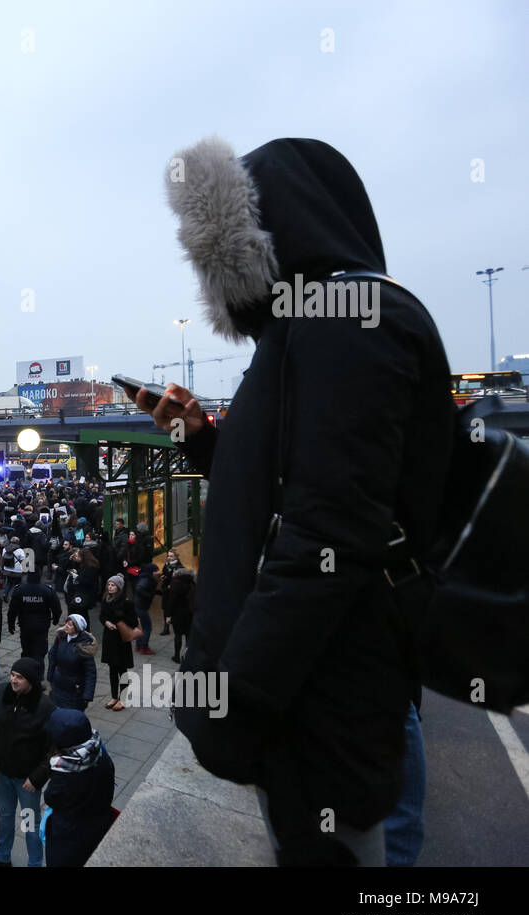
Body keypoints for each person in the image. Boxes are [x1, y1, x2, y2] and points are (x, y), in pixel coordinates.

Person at [145, 136, 454, 866]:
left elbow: (330, 533)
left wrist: (232, 703)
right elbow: (293, 486)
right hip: (317, 688)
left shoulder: (348, 325)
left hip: (324, 696)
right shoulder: (310, 334)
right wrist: (204, 440)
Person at [0, 658, 56, 867]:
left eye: (19, 677)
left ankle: (35, 863)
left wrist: (37, 778)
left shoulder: (45, 708)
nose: (13, 680)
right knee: (6, 816)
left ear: (31, 681)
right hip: (1, 773)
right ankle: (3, 858)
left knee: (29, 823)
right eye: (12, 674)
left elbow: (54, 750)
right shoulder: (0, 693)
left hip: (27, 780)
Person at [43, 708, 116, 867]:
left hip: (69, 838)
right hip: (98, 825)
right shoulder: (98, 751)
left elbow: (50, 797)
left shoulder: (66, 773)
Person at [98, 575, 137, 711]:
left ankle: (123, 698)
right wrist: (106, 622)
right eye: (109, 584)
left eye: (113, 585)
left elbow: (133, 622)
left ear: (119, 587)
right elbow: (102, 616)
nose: (110, 587)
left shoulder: (126, 602)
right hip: (109, 638)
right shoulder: (106, 599)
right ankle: (114, 696)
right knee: (112, 669)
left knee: (122, 669)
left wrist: (119, 621)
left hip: (121, 639)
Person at [8, 568, 62, 664]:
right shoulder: (47, 590)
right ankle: (37, 673)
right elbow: (57, 608)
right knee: (39, 652)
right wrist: (55, 620)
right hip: (42, 626)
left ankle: (26, 672)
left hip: (25, 625)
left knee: (26, 650)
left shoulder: (20, 590)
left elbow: (12, 610)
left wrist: (11, 625)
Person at [46, 613, 98, 711]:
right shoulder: (61, 638)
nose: (66, 626)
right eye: (66, 623)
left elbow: (90, 672)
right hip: (57, 686)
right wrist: (51, 679)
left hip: (74, 691)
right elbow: (52, 658)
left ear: (77, 628)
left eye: (70, 624)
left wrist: (87, 696)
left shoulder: (85, 646)